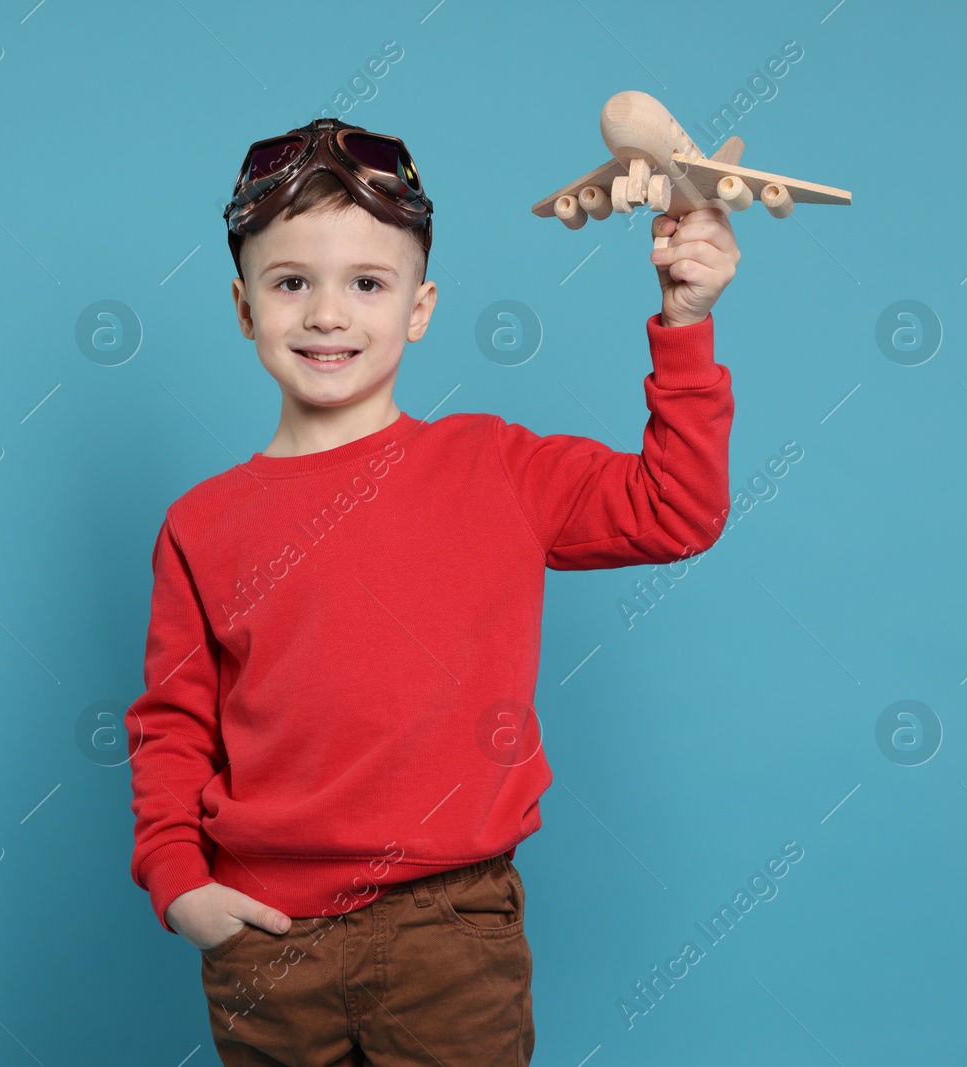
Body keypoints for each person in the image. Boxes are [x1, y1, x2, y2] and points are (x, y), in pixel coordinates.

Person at [125, 115, 739, 1065]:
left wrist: (686, 324)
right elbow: (172, 724)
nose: (329, 315)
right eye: (293, 283)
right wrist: (178, 885)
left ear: (420, 306)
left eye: (368, 284)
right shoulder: (201, 523)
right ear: (245, 307)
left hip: (451, 930)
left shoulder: (494, 465)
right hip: (265, 935)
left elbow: (676, 509)